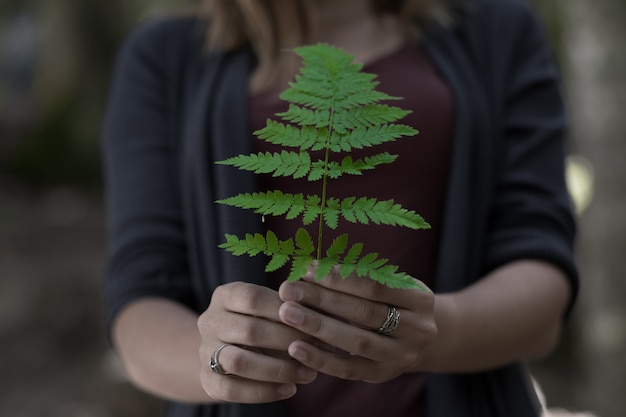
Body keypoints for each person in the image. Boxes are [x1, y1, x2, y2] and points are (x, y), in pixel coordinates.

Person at [101, 0, 579, 416]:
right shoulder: (165, 53)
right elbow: (142, 294)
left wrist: (432, 332)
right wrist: (215, 358)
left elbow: (541, 282)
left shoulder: (497, 27)